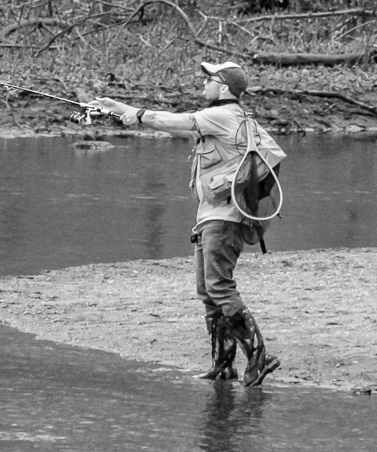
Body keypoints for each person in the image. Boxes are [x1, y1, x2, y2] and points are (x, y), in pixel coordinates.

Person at [88, 61, 284, 387]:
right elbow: (171, 126)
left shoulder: (223, 115)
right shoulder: (224, 119)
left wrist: (140, 115)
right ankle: (223, 365)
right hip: (212, 217)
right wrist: (119, 108)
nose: (204, 82)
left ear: (224, 87)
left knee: (219, 288)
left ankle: (259, 357)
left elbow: (172, 119)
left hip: (224, 219)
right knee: (208, 292)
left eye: (209, 78)